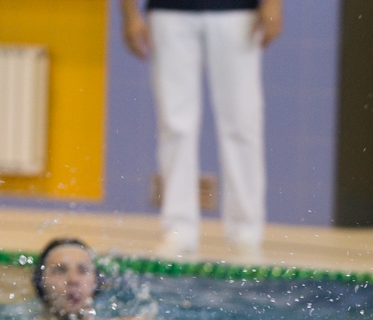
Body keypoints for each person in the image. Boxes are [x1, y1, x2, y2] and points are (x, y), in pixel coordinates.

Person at [119, 0, 283, 258]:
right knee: (175, 125)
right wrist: (129, 13)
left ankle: (246, 233)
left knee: (242, 125)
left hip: (237, 11)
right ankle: (179, 230)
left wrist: (272, 4)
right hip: (169, 11)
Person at [33, 238, 153, 320]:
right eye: (60, 271)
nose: (73, 280)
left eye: (83, 270)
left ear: (96, 282)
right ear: (40, 282)